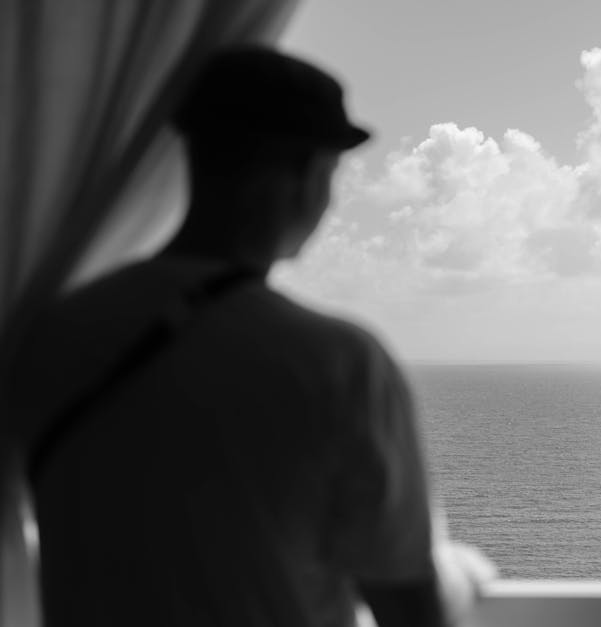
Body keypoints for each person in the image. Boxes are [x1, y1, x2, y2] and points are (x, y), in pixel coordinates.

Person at [7, 46, 490, 627]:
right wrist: (461, 575)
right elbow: (414, 615)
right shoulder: (341, 364)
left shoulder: (51, 334)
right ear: (302, 174)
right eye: (330, 176)